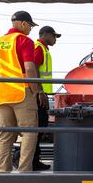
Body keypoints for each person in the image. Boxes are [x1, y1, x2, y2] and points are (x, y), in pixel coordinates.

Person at [0, 11, 43, 173]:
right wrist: (35, 90)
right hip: (21, 91)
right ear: (23, 23)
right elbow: (29, 67)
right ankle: (24, 171)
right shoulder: (24, 40)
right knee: (29, 132)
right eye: (30, 26)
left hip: (2, 93)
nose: (31, 29)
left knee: (6, 134)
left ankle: (3, 171)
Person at [30, 25, 61, 171]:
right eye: (54, 36)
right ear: (46, 35)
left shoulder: (44, 49)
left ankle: (34, 159)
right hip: (38, 94)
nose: (55, 39)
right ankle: (29, 158)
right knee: (38, 126)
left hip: (41, 94)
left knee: (41, 126)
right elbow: (34, 68)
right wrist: (40, 91)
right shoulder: (38, 48)